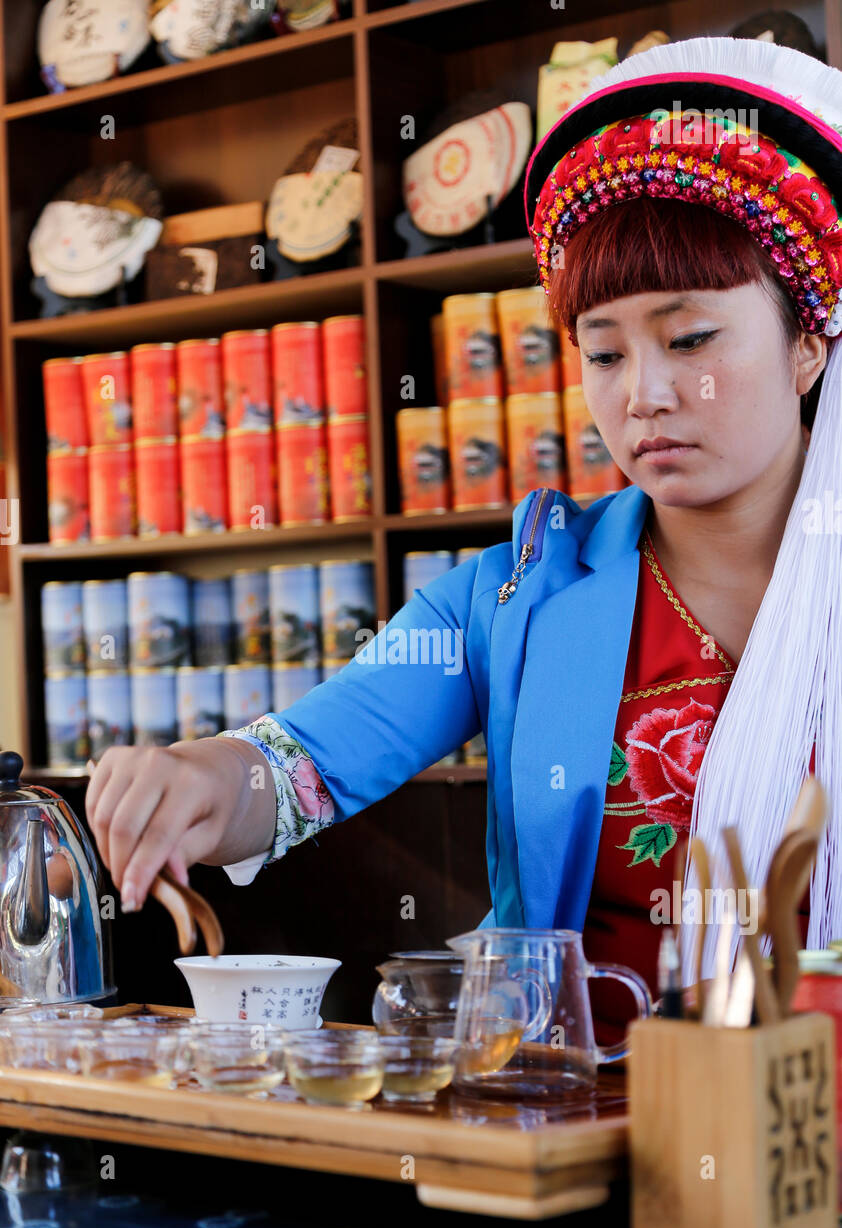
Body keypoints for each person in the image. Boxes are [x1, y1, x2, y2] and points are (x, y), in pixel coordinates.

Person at [85, 35, 842, 1044]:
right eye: (602, 352)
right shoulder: (516, 595)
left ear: (807, 338)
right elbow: (298, 766)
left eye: (689, 338)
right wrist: (196, 780)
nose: (642, 396)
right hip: (577, 1130)